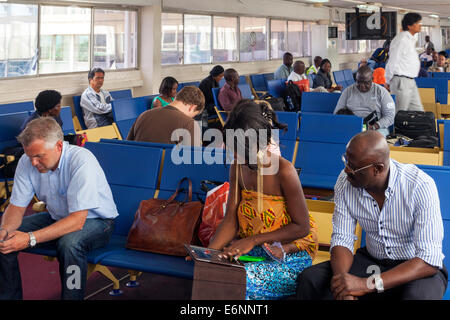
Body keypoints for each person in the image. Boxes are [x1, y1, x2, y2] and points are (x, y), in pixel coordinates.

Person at [296, 130, 448, 300]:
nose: (346, 170)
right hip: (372, 261)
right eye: (346, 161)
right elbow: (341, 239)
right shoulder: (346, 182)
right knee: (310, 280)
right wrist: (344, 285)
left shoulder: (420, 186)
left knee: (417, 297)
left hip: (414, 268)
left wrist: (365, 285)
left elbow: (428, 259)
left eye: (353, 167)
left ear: (378, 169)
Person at [208, 100, 318, 300]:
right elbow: (231, 220)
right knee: (210, 273)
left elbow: (302, 228)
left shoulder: (284, 171)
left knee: (240, 281)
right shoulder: (238, 167)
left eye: (240, 150)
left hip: (289, 254)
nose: (234, 155)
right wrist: (207, 255)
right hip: (254, 252)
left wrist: (253, 240)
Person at [0, 117, 118, 300]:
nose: (33, 163)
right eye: (30, 156)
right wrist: (4, 231)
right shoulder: (26, 161)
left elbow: (78, 221)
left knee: (70, 244)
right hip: (58, 217)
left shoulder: (81, 161)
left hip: (97, 222)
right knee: (4, 241)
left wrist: (30, 238)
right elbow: (16, 207)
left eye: (39, 156)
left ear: (58, 146)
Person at [127, 86, 204, 147]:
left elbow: (128, 146)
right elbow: (192, 160)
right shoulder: (189, 123)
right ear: (192, 107)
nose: (191, 118)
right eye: (193, 116)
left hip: (136, 165)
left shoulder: (143, 115)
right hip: (167, 166)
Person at [334, 66, 395, 137]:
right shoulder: (348, 91)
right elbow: (337, 113)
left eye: (366, 82)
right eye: (359, 82)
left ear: (372, 79)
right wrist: (351, 123)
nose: (362, 85)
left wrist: (374, 126)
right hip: (352, 126)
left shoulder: (381, 92)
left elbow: (390, 116)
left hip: (376, 128)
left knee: (373, 140)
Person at [385, 13, 423, 113]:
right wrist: (387, 80)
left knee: (419, 113)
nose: (420, 25)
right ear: (409, 26)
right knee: (400, 115)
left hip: (410, 81)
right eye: (418, 23)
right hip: (401, 81)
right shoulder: (402, 40)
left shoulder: (410, 39)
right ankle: (394, 129)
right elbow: (393, 61)